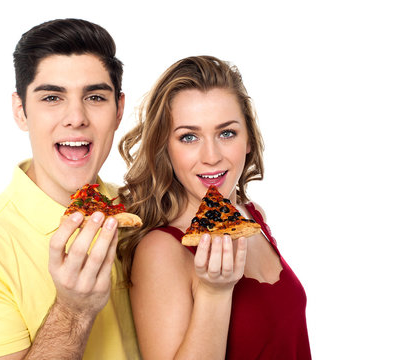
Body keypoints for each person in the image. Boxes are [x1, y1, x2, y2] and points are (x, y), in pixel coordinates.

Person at [0, 19, 140, 360]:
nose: (76, 117)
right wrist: (74, 310)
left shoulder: (141, 210)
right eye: (51, 97)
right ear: (21, 111)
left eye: (94, 96)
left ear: (119, 110)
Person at [117, 55, 311, 359]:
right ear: (164, 148)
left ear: (248, 139)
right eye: (189, 137)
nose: (211, 156)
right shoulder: (161, 251)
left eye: (227, 133)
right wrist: (215, 292)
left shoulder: (252, 215)